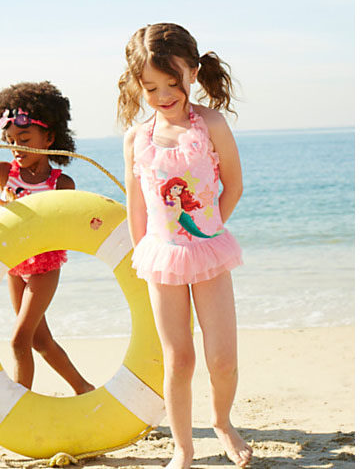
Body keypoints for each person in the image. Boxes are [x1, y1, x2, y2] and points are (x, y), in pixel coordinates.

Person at [118, 23, 252, 468]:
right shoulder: (137, 138)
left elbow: (233, 185)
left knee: (223, 357)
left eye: (172, 83)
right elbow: (136, 206)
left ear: (192, 72)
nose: (163, 95)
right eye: (150, 87)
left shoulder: (211, 124)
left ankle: (222, 421)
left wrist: (206, 234)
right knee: (178, 359)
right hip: (161, 258)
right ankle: (183, 447)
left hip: (209, 251)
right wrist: (145, 258)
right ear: (137, 84)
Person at [0, 81, 94, 394]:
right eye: (11, 141)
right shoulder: (5, 171)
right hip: (14, 265)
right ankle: (84, 388)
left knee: (19, 340)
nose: (16, 147)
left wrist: (24, 213)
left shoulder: (61, 183)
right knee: (40, 341)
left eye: (25, 139)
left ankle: (19, 401)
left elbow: (64, 228)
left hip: (44, 267)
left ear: (50, 138)